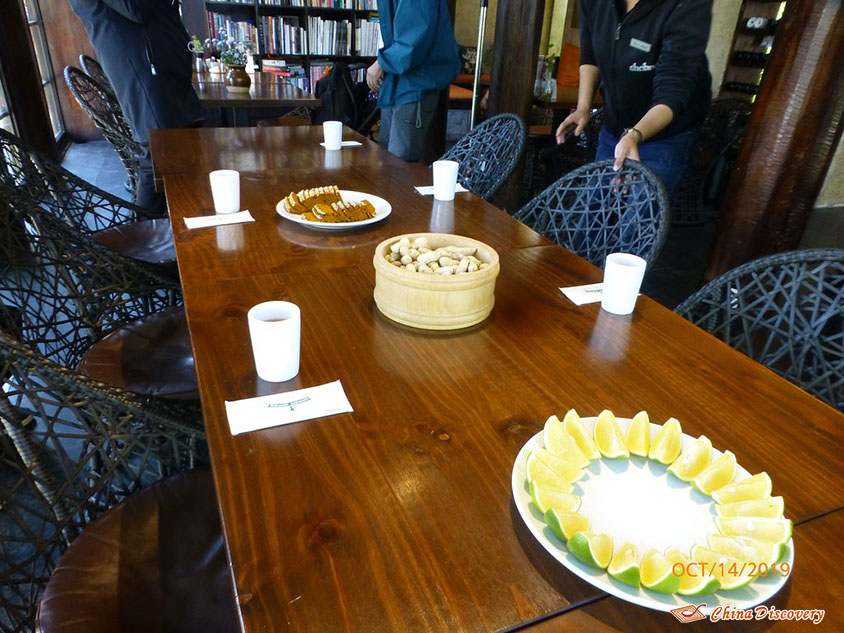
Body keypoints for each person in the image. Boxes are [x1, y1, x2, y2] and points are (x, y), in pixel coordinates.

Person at [556, 0, 712, 196]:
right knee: (594, 211)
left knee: (639, 220)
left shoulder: (688, 5)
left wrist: (635, 135)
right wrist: (583, 107)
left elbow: (672, 90)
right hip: (615, 126)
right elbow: (591, 54)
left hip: (667, 135)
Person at [69, 0, 204, 216]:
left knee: (178, 142)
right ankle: (143, 235)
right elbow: (135, 9)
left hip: (157, 63)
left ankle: (181, 223)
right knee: (157, 149)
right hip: (140, 64)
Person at [366, 0, 460, 162]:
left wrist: (381, 63)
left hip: (415, 84)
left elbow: (414, 40)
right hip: (399, 81)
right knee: (387, 161)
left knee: (399, 167)